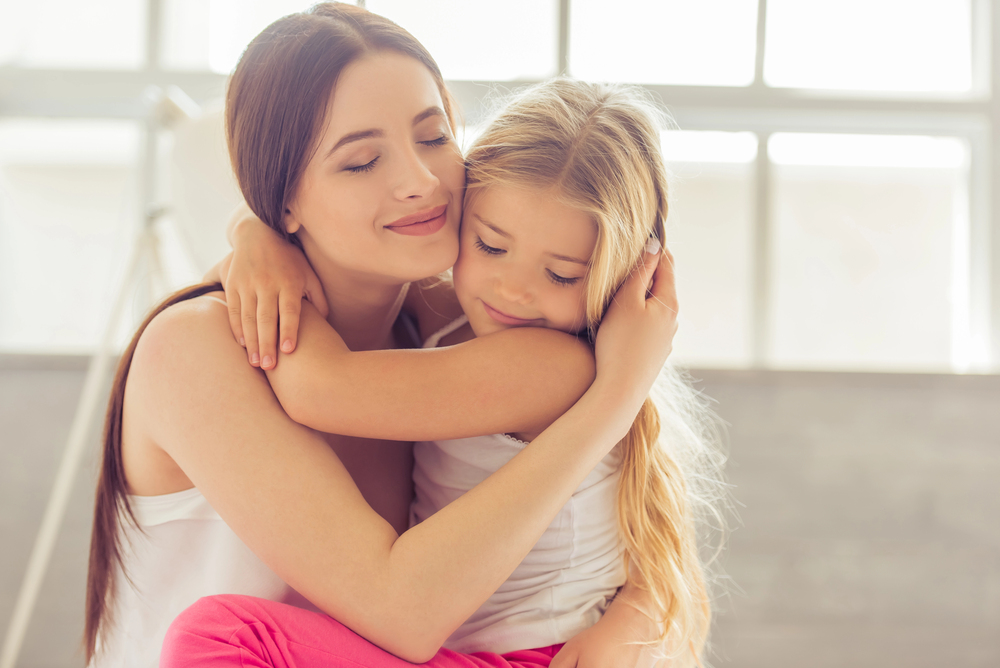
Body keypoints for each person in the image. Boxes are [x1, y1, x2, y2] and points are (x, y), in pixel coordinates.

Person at [83, 5, 679, 667]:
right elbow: (405, 614)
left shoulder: (462, 331)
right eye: (362, 162)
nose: (420, 183)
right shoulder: (194, 352)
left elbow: (623, 515)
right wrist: (249, 230)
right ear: (281, 197)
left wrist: (639, 615)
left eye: (433, 138)